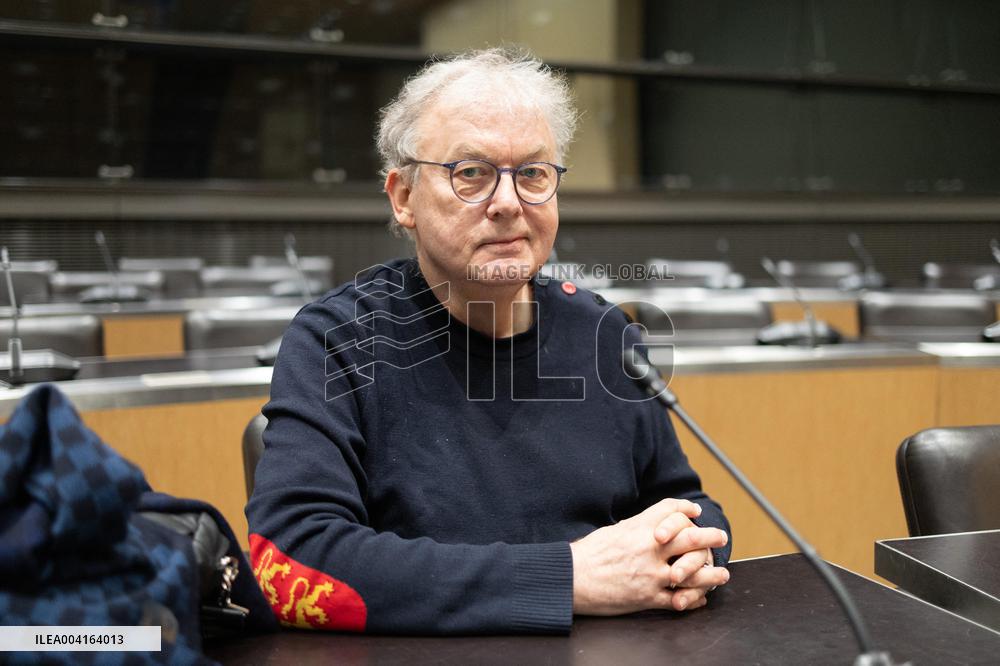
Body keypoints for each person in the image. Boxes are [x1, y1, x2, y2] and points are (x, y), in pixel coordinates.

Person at [246, 48, 731, 635]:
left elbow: (687, 504)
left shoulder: (606, 335)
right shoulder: (340, 341)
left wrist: (689, 550)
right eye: (470, 173)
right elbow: (292, 561)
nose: (507, 203)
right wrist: (566, 577)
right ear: (403, 198)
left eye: (532, 174)